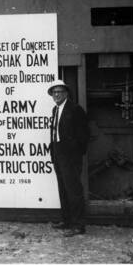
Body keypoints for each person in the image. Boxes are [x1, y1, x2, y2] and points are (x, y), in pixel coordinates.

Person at [48, 79, 89, 237]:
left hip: (70, 156)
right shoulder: (55, 110)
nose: (56, 95)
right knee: (63, 189)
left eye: (59, 92)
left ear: (66, 93)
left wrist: (75, 153)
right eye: (54, 92)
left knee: (73, 190)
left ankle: (78, 225)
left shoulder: (75, 109)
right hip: (58, 154)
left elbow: (83, 135)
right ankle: (67, 221)